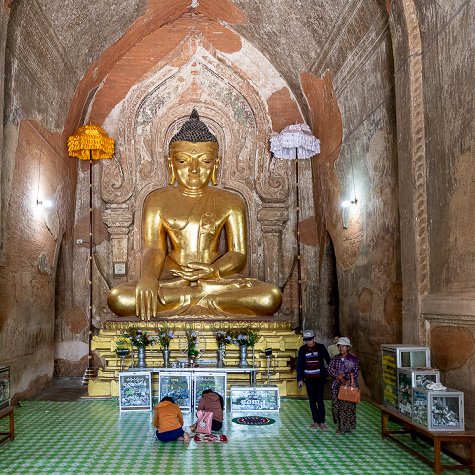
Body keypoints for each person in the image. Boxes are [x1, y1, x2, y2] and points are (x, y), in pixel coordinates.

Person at [107, 109, 282, 320]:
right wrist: (149, 278)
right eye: (183, 161)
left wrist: (213, 271)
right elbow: (154, 248)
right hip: (172, 279)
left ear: (216, 164)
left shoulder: (232, 201)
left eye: (205, 161)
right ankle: (200, 298)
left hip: (217, 280)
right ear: (170, 163)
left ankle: (194, 296)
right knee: (118, 298)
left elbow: (238, 254)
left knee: (269, 297)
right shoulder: (156, 200)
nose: (194, 169)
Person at [296, 329, 332, 430]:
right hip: (308, 379)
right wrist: (299, 379)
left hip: (319, 378)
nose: (308, 342)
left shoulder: (320, 347)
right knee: (312, 400)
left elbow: (328, 359)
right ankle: (315, 421)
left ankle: (322, 422)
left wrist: (333, 370)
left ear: (314, 338)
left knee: (320, 400)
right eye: (306, 340)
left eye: (310, 340)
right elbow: (300, 365)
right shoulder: (302, 349)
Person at [327, 337, 360, 435]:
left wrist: (344, 375)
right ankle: (339, 427)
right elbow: (329, 370)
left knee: (348, 407)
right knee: (337, 406)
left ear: (348, 347)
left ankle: (347, 427)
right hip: (337, 385)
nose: (341, 348)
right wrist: (338, 377)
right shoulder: (335, 358)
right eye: (340, 346)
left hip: (349, 386)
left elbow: (356, 372)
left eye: (344, 346)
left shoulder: (353, 359)